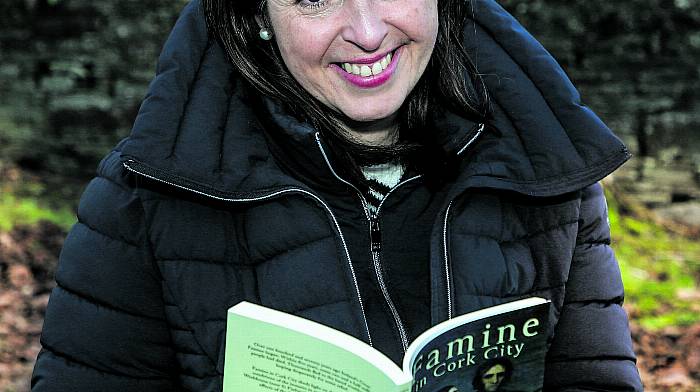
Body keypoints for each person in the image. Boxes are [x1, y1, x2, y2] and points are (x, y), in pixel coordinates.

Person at [31, 0, 643, 390]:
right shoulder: (147, 195)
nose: (369, 32)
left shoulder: (547, 172)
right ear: (255, 16)